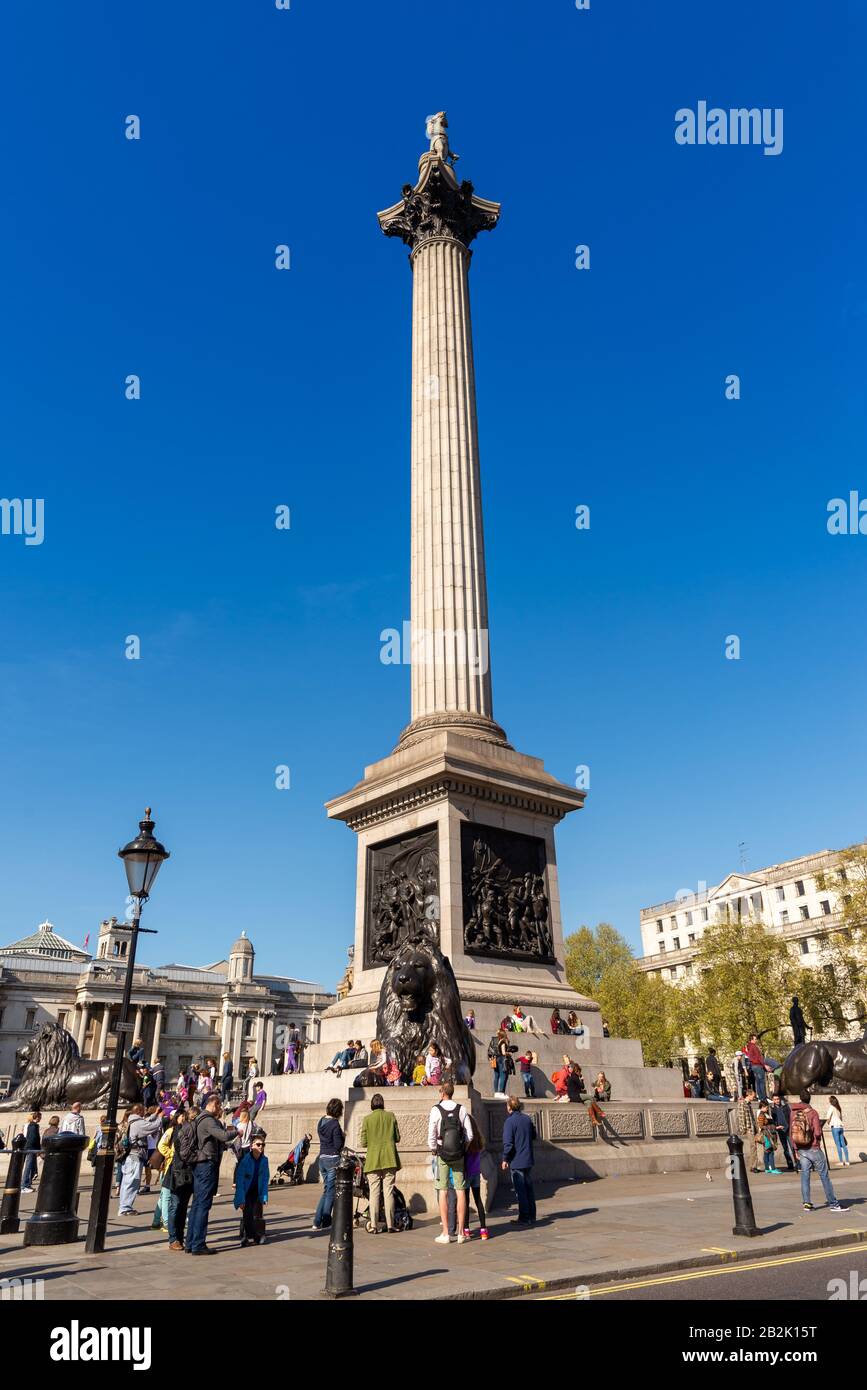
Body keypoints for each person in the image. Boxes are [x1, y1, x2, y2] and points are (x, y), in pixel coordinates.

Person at [184, 1092, 242, 1254]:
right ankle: (198, 1244)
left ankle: (190, 1242)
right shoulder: (208, 1120)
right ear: (214, 1104)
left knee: (197, 1204)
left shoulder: (199, 1119)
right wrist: (237, 1131)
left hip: (199, 1164)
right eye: (220, 1106)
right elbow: (223, 1136)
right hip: (206, 1165)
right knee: (203, 1204)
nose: (221, 1110)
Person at [428, 1081, 473, 1244]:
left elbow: (431, 1134)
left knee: (443, 1190)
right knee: (461, 1190)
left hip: (442, 1155)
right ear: (452, 1093)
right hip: (459, 1155)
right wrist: (464, 1148)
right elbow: (470, 1135)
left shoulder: (436, 1110)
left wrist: (434, 1149)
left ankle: (446, 1233)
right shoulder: (461, 1109)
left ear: (442, 1093)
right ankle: (461, 1233)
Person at [789, 1091, 849, 1212]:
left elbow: (792, 1132)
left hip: (801, 1149)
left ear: (800, 1098)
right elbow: (817, 1133)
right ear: (810, 1099)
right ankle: (833, 1204)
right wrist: (818, 1138)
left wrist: (795, 1149)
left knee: (805, 1176)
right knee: (824, 1176)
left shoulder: (793, 1112)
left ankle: (807, 1203)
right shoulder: (813, 1112)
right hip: (813, 1148)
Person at [360, 1093, 401, 1234]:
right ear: (383, 1103)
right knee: (389, 1191)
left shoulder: (367, 1119)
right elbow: (397, 1137)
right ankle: (390, 1225)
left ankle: (374, 1225)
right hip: (389, 1159)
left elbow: (363, 1142)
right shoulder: (391, 1116)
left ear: (372, 1104)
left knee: (374, 1193)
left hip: (372, 1160)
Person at [118, 1104, 163, 1216]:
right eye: (143, 1110)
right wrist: (160, 1117)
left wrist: (155, 1114)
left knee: (126, 1183)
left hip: (130, 1157)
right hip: (134, 1157)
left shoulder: (132, 1121)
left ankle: (123, 1206)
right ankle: (125, 1208)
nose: (145, 1111)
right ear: (138, 1111)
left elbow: (147, 1121)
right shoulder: (138, 1124)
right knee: (132, 1183)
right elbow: (152, 1126)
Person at [501, 1095, 537, 1226]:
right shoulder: (527, 1119)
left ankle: (524, 1217)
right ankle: (532, 1216)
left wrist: (505, 1159)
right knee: (529, 1189)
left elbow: (508, 1143)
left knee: (520, 1190)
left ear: (509, 1107)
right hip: (528, 1158)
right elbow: (534, 1135)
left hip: (517, 1160)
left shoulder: (509, 1122)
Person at [234, 1129, 270, 1246]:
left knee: (253, 1215)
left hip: (256, 1190)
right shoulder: (245, 1160)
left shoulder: (264, 1161)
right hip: (246, 1190)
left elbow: (265, 1179)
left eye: (263, 1145)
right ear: (252, 1146)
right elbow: (240, 1180)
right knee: (247, 1213)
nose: (261, 1147)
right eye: (258, 1144)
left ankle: (248, 1237)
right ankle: (254, 1236)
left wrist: (264, 1196)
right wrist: (240, 1199)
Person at [312, 1099, 344, 1231]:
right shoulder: (335, 1124)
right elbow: (338, 1145)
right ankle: (326, 1221)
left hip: (322, 1158)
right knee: (330, 1192)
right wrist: (343, 1136)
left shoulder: (321, 1121)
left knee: (326, 1190)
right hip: (332, 1159)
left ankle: (316, 1221)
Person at [756, 1101, 782, 1174]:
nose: (767, 1109)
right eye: (766, 1107)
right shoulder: (761, 1115)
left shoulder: (765, 1114)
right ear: (762, 1107)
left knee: (767, 1151)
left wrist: (775, 1127)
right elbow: (761, 1125)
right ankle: (772, 1168)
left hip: (769, 1134)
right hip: (767, 1135)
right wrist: (772, 1127)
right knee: (770, 1151)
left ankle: (767, 1168)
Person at [825, 1095, 850, 1166]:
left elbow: (828, 1118)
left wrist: (829, 1122)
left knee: (838, 1144)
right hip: (840, 1127)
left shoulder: (831, 1107)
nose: (828, 1101)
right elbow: (841, 1119)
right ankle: (847, 1161)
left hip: (835, 1128)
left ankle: (841, 1161)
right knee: (843, 1145)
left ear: (831, 1101)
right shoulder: (838, 1108)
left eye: (829, 1100)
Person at [21, 1111, 41, 1194]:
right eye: (40, 1117)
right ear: (37, 1117)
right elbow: (33, 1139)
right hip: (31, 1148)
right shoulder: (33, 1126)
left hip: (29, 1148)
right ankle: (24, 1185)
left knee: (31, 1167)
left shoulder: (31, 1125)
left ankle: (27, 1185)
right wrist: (37, 1149)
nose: (40, 1119)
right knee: (28, 1167)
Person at [745, 1034, 768, 1102]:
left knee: (758, 1082)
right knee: (762, 1082)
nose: (756, 1040)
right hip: (758, 1065)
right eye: (755, 1039)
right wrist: (764, 1065)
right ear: (751, 1040)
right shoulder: (754, 1047)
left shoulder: (749, 1047)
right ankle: (764, 1098)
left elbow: (751, 1057)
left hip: (753, 1066)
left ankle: (760, 1098)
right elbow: (759, 1057)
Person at [493, 1031, 511, 1098]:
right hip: (502, 1059)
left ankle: (496, 1093)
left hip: (496, 1059)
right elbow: (503, 1052)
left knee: (496, 1076)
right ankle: (500, 1092)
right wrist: (509, 1053)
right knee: (503, 1075)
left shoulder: (497, 1041)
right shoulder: (503, 1042)